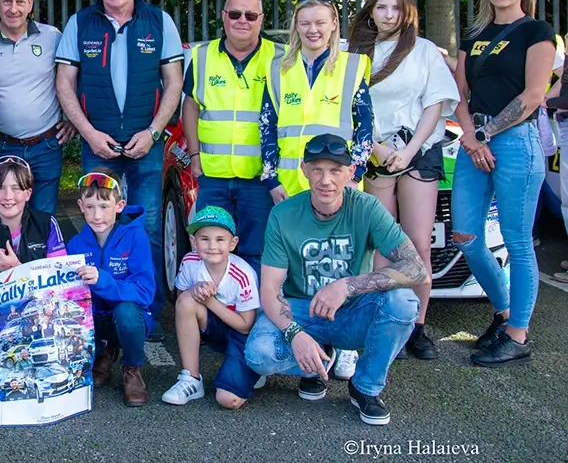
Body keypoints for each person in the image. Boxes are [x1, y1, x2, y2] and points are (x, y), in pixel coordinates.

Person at [244, 134, 424, 426]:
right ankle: (317, 363)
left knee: (403, 302)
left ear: (350, 172)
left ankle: (365, 387)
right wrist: (296, 335)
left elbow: (416, 269)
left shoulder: (367, 207)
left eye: (335, 170)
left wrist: (347, 286)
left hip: (352, 311)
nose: (325, 180)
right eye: (317, 169)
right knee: (259, 355)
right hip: (304, 311)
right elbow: (269, 289)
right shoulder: (283, 214)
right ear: (304, 169)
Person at [56, 0, 184, 336]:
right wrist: (89, 133)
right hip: (99, 144)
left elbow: (174, 82)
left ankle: (147, 312)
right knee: (97, 226)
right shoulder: (80, 23)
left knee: (147, 229)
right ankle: (97, 311)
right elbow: (64, 84)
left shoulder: (159, 21)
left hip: (147, 144)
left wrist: (154, 132)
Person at [260, 0, 373, 381]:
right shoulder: (279, 69)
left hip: (339, 184)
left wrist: (354, 175)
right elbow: (267, 126)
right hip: (291, 184)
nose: (313, 30)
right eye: (305, 22)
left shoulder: (353, 66)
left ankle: (347, 346)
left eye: (320, 22)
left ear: (334, 25)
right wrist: (271, 178)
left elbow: (365, 126)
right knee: (302, 265)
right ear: (296, 26)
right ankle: (310, 338)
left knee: (345, 262)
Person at [451, 0, 555, 367]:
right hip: (474, 142)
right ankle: (504, 310)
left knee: (517, 241)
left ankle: (517, 334)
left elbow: (533, 95)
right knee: (466, 236)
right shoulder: (475, 34)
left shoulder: (537, 32)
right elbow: (459, 93)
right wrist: (472, 137)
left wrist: (485, 134)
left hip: (515, 143)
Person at [347, 0, 459, 360]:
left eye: (396, 7)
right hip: (375, 153)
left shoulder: (424, 50)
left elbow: (435, 104)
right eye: (381, 7)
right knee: (380, 243)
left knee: (417, 242)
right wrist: (377, 148)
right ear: (370, 11)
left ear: (407, 11)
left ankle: (417, 325)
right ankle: (381, 319)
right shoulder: (354, 53)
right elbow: (349, 106)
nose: (389, 15)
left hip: (418, 151)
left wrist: (409, 150)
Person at [182, 0, 282, 271]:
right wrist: (194, 156)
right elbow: (190, 105)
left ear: (261, 19)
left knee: (258, 252)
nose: (242, 21)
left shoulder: (281, 58)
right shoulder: (203, 56)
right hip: (213, 176)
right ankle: (215, 302)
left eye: (250, 15)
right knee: (211, 252)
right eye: (235, 14)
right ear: (224, 17)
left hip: (260, 177)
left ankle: (254, 301)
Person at [0, 156, 67, 363]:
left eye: (16, 188)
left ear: (28, 193)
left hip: (40, 305)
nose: (8, 196)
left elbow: (59, 280)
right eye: (0, 188)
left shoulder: (47, 224)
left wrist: (17, 268)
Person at [65, 169, 156, 407]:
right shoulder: (75, 244)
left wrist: (103, 281)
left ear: (119, 206)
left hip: (128, 317)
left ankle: (132, 368)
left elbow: (145, 292)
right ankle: (104, 352)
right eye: (90, 206)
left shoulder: (136, 238)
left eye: (104, 207)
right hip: (95, 319)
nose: (97, 215)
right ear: (81, 206)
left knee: (126, 312)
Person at [0, 0, 74, 215]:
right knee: (7, 216)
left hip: (46, 145)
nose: (13, 9)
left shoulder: (52, 37)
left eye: (20, 2)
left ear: (30, 4)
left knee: (43, 218)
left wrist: (72, 119)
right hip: (4, 145)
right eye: (7, 2)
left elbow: (71, 79)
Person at [161, 206, 261, 410]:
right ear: (194, 241)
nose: (212, 246)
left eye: (220, 239)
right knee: (187, 300)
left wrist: (209, 301)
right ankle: (191, 378)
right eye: (204, 239)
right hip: (216, 327)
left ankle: (255, 367)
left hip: (242, 337)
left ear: (233, 243)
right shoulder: (190, 262)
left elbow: (245, 326)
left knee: (228, 399)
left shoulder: (243, 274)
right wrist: (195, 290)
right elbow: (181, 302)